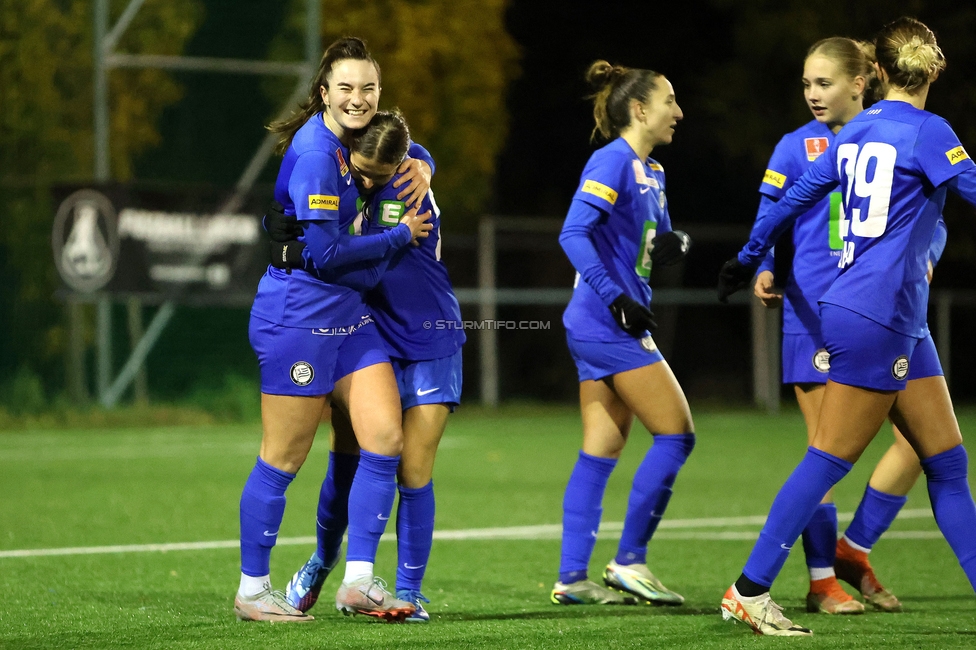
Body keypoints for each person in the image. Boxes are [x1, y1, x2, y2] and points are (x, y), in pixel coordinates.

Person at [717, 17, 976, 636]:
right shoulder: (931, 132)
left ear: (878, 72)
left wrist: (748, 255)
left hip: (889, 314)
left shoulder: (857, 128)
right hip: (877, 313)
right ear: (935, 69)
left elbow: (796, 197)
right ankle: (749, 590)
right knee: (829, 459)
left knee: (945, 462)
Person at [235, 37, 436, 624]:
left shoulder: (363, 141)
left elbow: (408, 147)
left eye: (368, 88)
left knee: (384, 439)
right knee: (284, 456)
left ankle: (358, 583)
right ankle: (253, 589)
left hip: (351, 318)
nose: (358, 99)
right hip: (298, 316)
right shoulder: (321, 154)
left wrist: (424, 161)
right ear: (324, 93)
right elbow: (322, 253)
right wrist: (401, 236)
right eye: (346, 88)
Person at [267, 110, 465, 624]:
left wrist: (422, 162)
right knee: (347, 455)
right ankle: (324, 561)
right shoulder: (344, 172)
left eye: (380, 172)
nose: (368, 179)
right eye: (363, 168)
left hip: (426, 335)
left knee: (414, 469)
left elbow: (347, 256)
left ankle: (407, 590)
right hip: (367, 327)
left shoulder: (403, 180)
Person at [551, 60, 696, 606]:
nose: (678, 112)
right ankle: (630, 561)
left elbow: (645, 243)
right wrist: (616, 298)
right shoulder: (611, 160)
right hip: (605, 321)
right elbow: (574, 233)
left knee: (599, 451)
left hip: (605, 321)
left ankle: (572, 578)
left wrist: (670, 245)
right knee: (677, 434)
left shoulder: (652, 172)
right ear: (640, 110)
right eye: (669, 101)